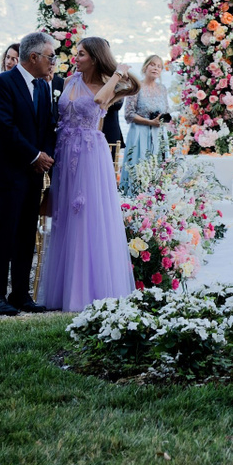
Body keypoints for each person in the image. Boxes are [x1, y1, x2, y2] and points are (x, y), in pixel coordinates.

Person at [38, 37, 140, 311]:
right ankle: (65, 289)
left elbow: (100, 99)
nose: (76, 58)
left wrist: (118, 72)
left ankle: (86, 292)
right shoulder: (68, 82)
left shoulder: (107, 86)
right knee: (64, 215)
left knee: (85, 214)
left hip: (89, 154)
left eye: (81, 54)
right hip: (64, 152)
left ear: (95, 58)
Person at [0, 32, 58, 316]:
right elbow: (4, 127)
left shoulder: (42, 87)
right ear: (34, 57)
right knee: (5, 232)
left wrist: (45, 156)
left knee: (27, 233)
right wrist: (34, 155)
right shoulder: (3, 83)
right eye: (51, 56)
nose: (53, 62)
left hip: (33, 172)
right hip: (8, 171)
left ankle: (20, 294)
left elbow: (48, 125)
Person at [120, 55, 171, 193]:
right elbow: (129, 114)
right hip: (139, 133)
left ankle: (156, 197)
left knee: (158, 169)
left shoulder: (162, 89)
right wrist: (149, 122)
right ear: (145, 67)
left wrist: (162, 119)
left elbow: (166, 110)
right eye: (152, 64)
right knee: (138, 167)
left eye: (159, 66)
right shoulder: (136, 86)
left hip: (158, 134)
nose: (156, 68)